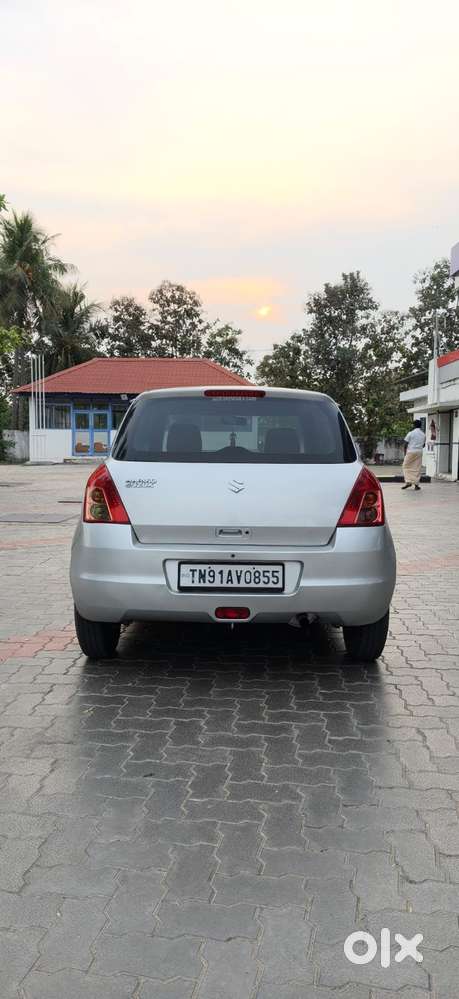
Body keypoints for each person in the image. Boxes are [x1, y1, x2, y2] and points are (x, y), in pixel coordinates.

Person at [401, 420, 426, 491]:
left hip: (411, 451)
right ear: (420, 425)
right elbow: (423, 445)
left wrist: (405, 454)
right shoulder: (423, 434)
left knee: (405, 466)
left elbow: (405, 444)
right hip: (419, 452)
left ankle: (408, 482)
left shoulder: (410, 433)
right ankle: (416, 485)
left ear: (414, 425)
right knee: (417, 467)